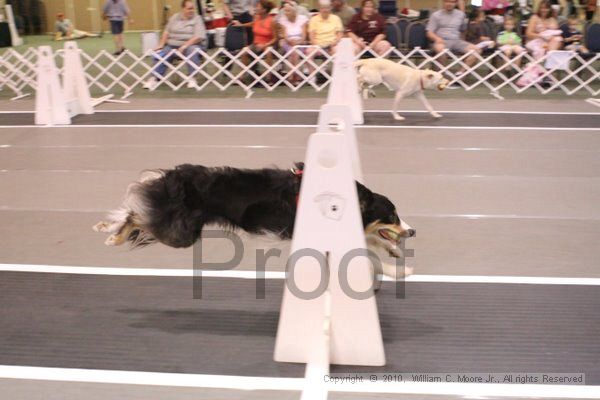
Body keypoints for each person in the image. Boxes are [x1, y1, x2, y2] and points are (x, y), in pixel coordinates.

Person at [144, 0, 206, 89]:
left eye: (192, 8)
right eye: (189, 9)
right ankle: (154, 78)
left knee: (192, 50)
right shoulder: (174, 17)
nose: (191, 10)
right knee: (161, 53)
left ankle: (192, 78)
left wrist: (185, 45)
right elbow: (166, 32)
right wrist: (161, 44)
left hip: (190, 45)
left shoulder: (197, 18)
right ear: (183, 9)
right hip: (172, 45)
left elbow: (199, 36)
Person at [426, 0, 479, 76]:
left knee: (477, 50)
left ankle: (460, 74)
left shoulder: (461, 15)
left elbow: (463, 30)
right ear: (443, 2)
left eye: (452, 2)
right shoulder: (436, 15)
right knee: (441, 50)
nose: (449, 4)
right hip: (441, 40)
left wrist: (463, 42)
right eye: (447, 1)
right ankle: (441, 76)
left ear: (455, 3)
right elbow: (429, 32)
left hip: (456, 41)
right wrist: (437, 39)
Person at [278, 2, 309, 82]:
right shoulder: (283, 20)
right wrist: (289, 41)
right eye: (285, 11)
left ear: (294, 11)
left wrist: (298, 42)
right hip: (288, 42)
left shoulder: (302, 19)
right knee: (293, 52)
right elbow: (284, 35)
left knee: (294, 52)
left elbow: (304, 36)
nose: (286, 13)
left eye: (288, 11)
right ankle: (295, 75)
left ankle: (292, 75)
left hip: (300, 42)